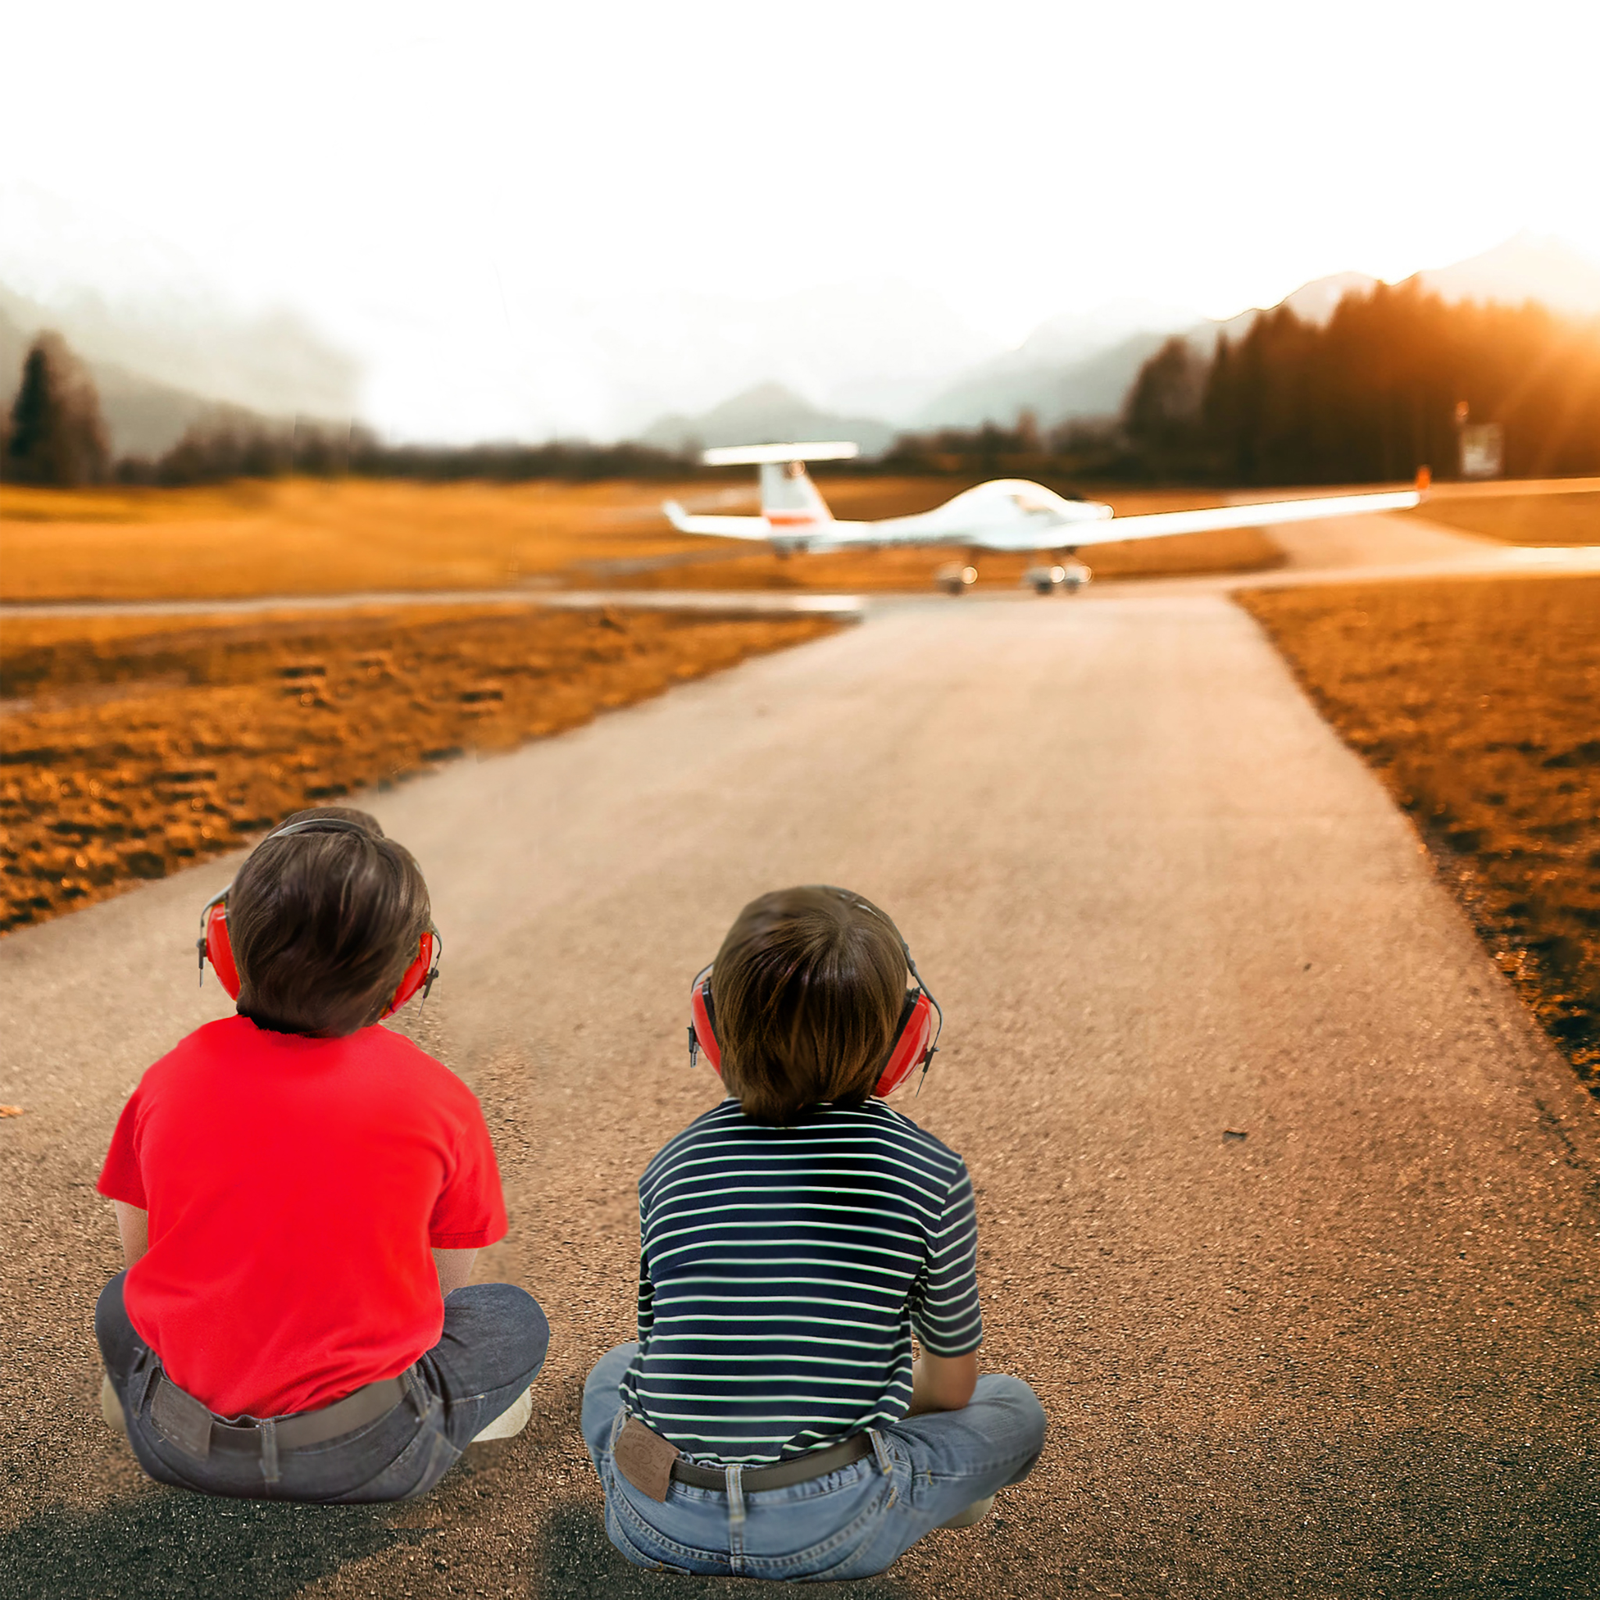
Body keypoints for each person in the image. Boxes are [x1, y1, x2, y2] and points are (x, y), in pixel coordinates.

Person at [581, 885, 1046, 1579]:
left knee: (613, 1369)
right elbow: (950, 1389)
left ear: (711, 1029)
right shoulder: (929, 1170)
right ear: (905, 1039)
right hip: (833, 1524)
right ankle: (923, 1498)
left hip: (656, 1518)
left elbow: (664, 1345)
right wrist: (861, 1383)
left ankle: (675, 1517)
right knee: (1012, 1407)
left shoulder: (671, 1165)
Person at [95, 807, 548, 1502]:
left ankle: (148, 1402)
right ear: (413, 969)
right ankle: (451, 1423)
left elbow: (142, 1264)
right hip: (369, 1457)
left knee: (115, 1304)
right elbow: (443, 1296)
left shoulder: (169, 1078)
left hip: (177, 1446)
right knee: (510, 1318)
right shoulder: (441, 1099)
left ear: (223, 945)